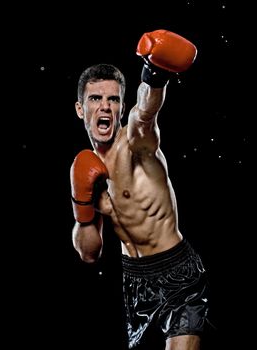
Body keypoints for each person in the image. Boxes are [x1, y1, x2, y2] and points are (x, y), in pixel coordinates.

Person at [70, 29, 210, 350]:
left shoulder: (136, 142)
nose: (105, 107)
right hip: (135, 282)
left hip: (179, 274)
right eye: (95, 99)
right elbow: (89, 253)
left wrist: (154, 74)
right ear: (81, 109)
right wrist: (82, 205)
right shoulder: (88, 168)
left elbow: (145, 113)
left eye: (113, 99)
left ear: (121, 106)